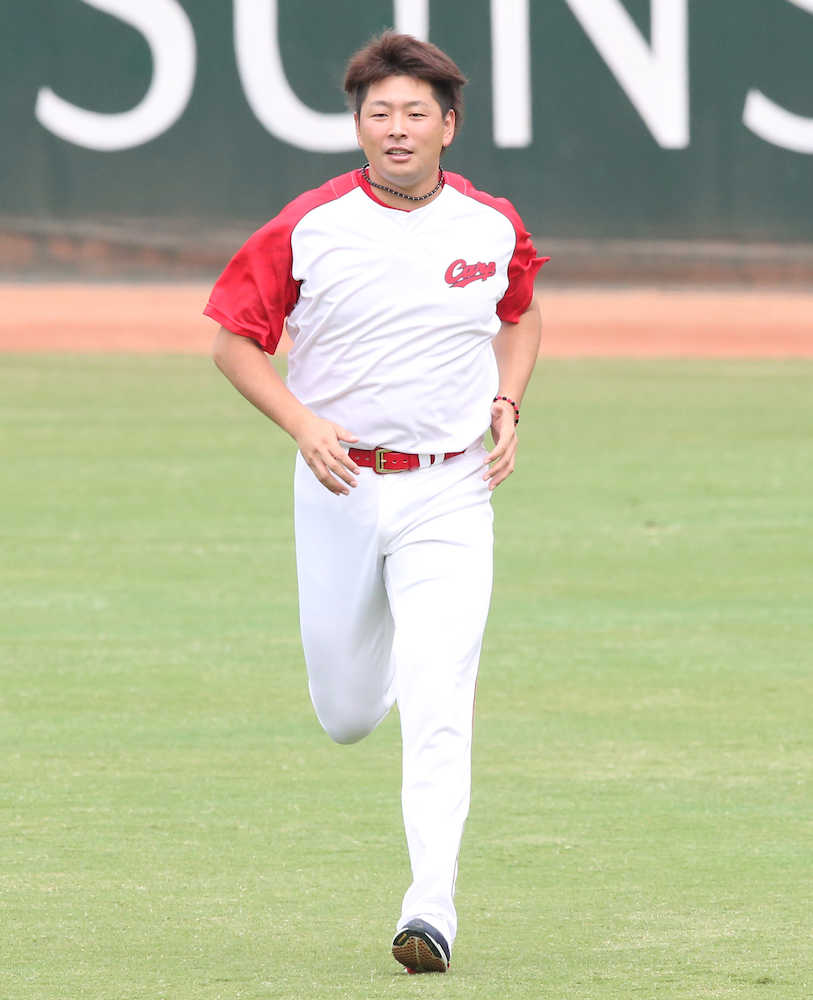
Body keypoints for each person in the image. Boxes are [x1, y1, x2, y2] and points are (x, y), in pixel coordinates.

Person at [204, 31, 547, 974]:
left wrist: (507, 399)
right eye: (379, 112)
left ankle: (429, 908)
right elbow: (232, 342)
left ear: (449, 125)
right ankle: (390, 654)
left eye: (414, 113)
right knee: (348, 712)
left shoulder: (489, 224)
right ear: (358, 126)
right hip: (341, 485)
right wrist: (301, 424)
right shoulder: (308, 225)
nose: (397, 128)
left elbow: (520, 313)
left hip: (452, 487)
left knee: (441, 699)